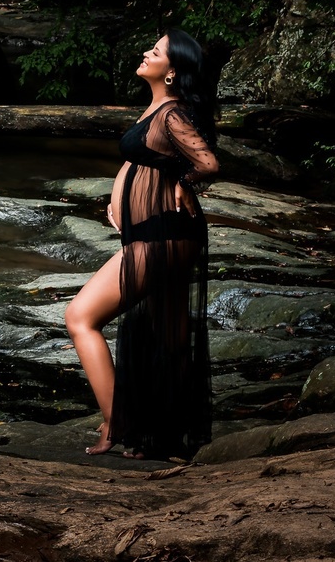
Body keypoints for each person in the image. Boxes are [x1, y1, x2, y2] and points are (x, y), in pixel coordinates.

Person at [64, 28, 218, 459]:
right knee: (169, 336)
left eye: (155, 51)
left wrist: (186, 182)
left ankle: (119, 422)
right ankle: (165, 435)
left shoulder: (172, 115)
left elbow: (207, 162)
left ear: (171, 72)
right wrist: (119, 202)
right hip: (157, 234)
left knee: (80, 317)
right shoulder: (159, 109)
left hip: (162, 235)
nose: (145, 53)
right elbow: (143, 162)